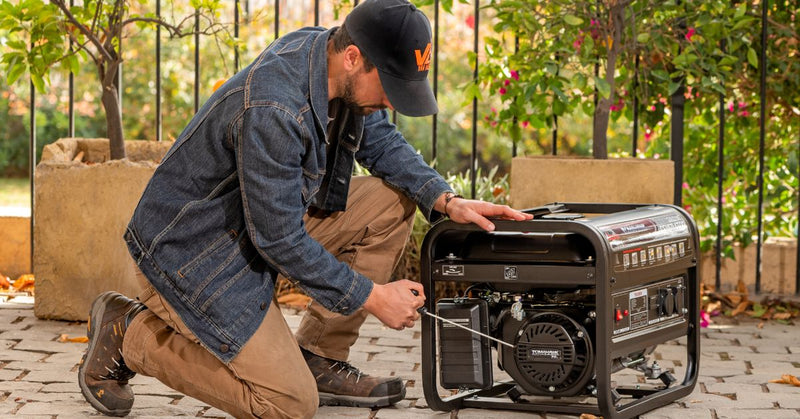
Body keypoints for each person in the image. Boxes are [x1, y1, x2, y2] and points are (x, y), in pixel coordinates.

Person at [77, 0, 532, 417]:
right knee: (287, 403)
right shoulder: (275, 106)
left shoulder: (329, 61)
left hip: (253, 229)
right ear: (353, 56)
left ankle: (319, 358)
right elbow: (278, 240)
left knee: (390, 202)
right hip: (194, 255)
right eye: (390, 85)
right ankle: (129, 333)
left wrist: (446, 200)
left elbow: (379, 141)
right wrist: (373, 296)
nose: (393, 101)